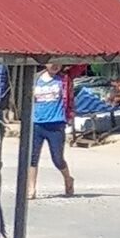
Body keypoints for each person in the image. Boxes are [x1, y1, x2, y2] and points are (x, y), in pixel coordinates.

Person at [31, 61, 75, 199]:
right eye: (51, 62)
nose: (55, 65)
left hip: (56, 124)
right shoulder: (35, 78)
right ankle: (31, 188)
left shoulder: (64, 79)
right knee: (32, 158)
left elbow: (80, 65)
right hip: (37, 123)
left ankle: (68, 178)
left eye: (59, 62)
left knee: (57, 159)